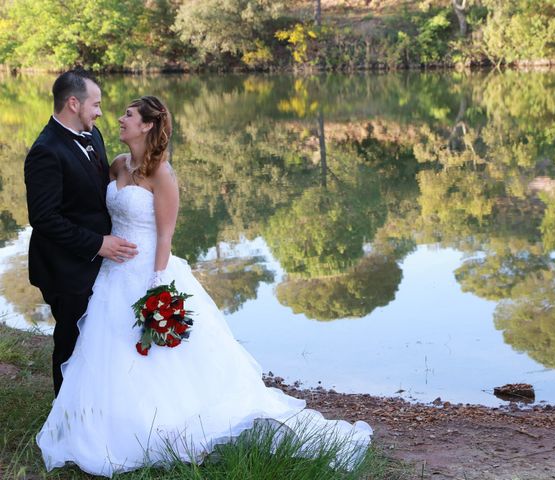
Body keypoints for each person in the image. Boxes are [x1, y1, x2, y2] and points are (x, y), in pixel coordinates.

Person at [36, 96, 372, 477]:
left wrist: (158, 286)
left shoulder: (163, 173)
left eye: (128, 115)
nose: (118, 119)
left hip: (150, 272)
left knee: (159, 355)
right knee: (108, 351)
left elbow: (166, 234)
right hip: (113, 274)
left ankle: (172, 425)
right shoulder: (117, 164)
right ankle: (113, 423)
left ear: (147, 125)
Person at [24, 68, 138, 396]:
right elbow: (44, 218)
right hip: (65, 266)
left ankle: (95, 403)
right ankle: (66, 415)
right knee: (71, 343)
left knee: (96, 337)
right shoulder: (46, 151)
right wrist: (98, 243)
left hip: (97, 262)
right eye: (96, 105)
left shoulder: (94, 135)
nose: (101, 112)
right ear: (74, 103)